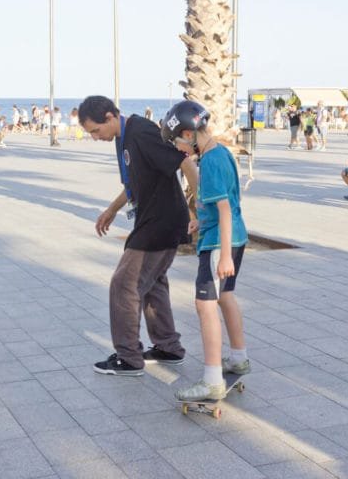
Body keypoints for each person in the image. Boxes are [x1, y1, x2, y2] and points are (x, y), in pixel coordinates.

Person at [79, 95, 195, 376]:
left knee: (124, 285)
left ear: (109, 116)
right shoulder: (124, 137)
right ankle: (168, 347)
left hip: (161, 222)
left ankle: (129, 358)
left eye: (96, 130)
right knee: (153, 284)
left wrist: (198, 209)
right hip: (152, 220)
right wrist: (110, 210)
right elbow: (133, 184)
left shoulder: (141, 132)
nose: (95, 138)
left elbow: (185, 162)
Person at [160, 101, 250, 402]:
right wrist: (200, 219)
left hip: (217, 244)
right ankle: (238, 358)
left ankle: (212, 380)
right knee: (225, 297)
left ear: (188, 133)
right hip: (234, 237)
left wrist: (223, 255)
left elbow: (224, 209)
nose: (179, 150)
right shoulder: (222, 152)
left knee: (205, 305)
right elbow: (222, 205)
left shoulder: (209, 161)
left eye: (178, 143)